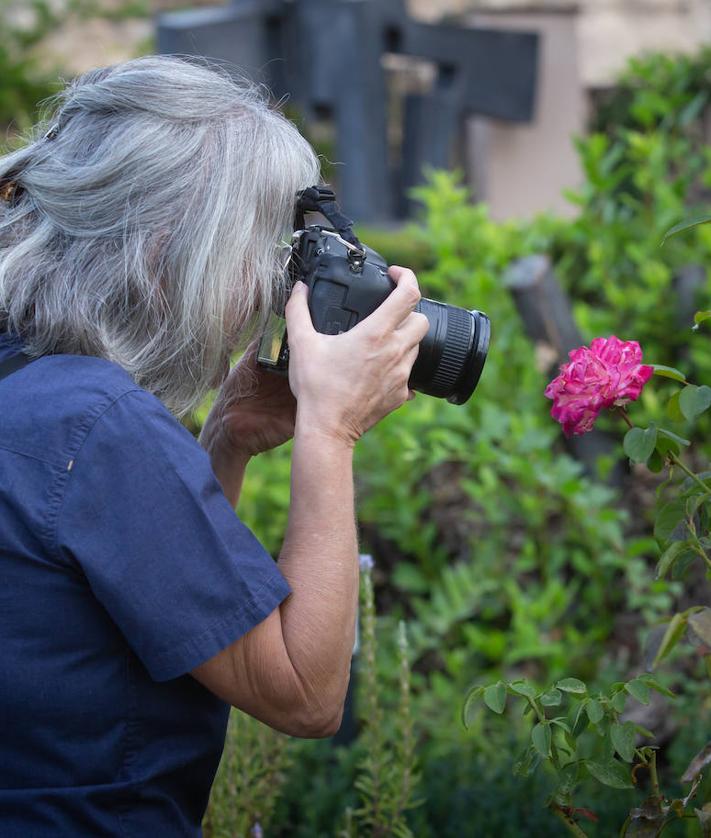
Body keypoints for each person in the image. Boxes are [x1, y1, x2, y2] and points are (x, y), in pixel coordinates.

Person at [0, 55, 429, 836]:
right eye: (260, 249)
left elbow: (118, 591)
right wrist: (331, 431)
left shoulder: (34, 395)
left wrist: (222, 442)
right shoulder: (97, 421)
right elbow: (303, 693)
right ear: (171, 248)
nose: (272, 291)